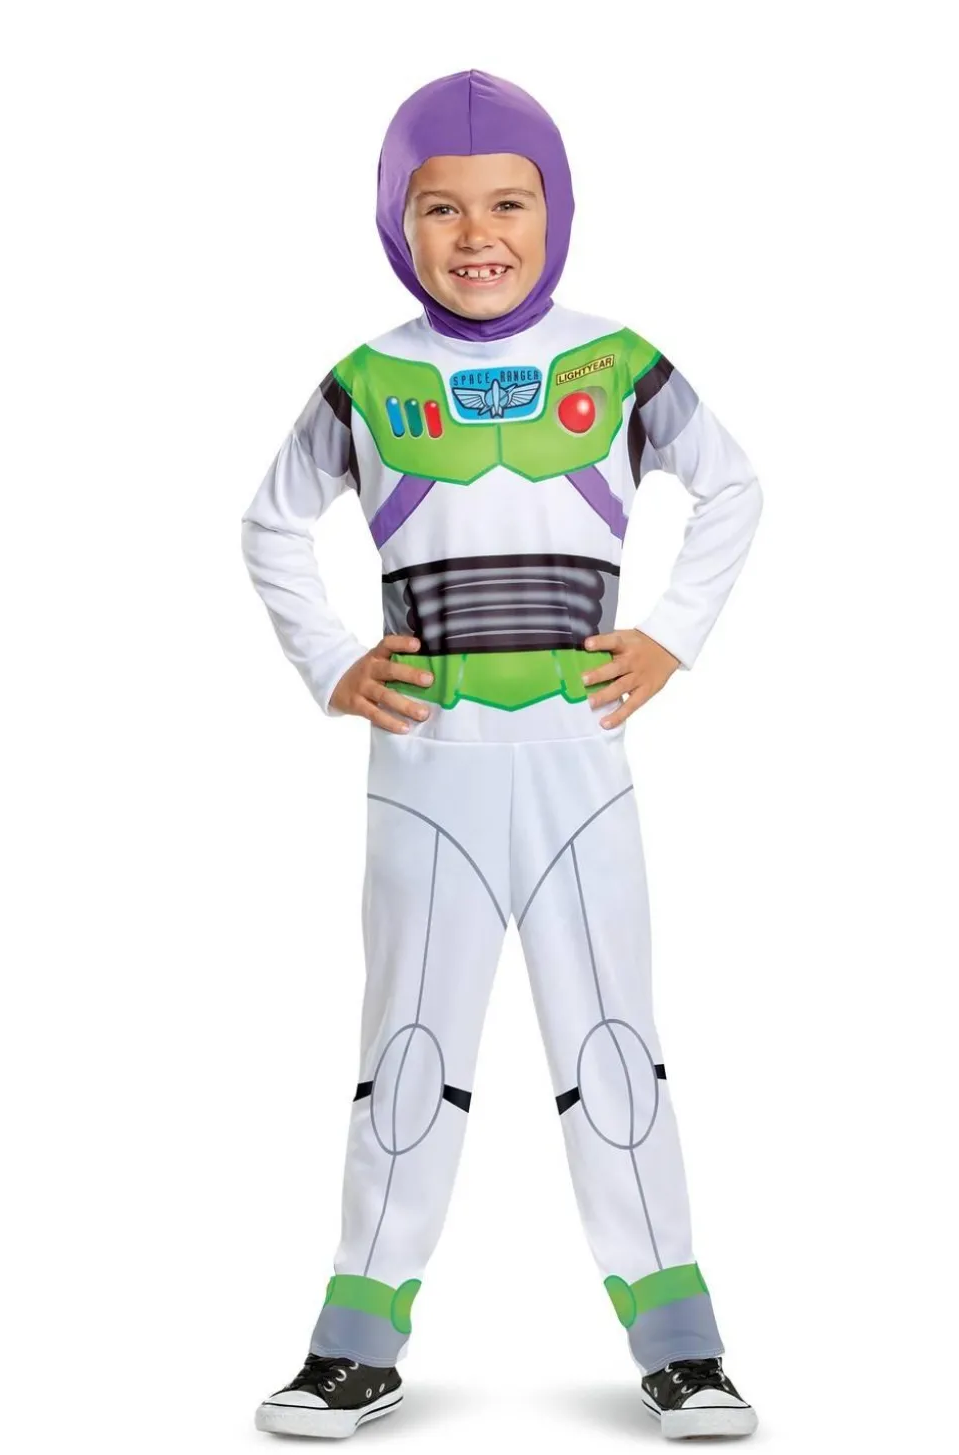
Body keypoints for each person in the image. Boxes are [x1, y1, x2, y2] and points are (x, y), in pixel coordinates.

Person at [241, 68, 763, 1442]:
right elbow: (269, 523)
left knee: (613, 1043)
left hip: (580, 764)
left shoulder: (617, 363)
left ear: (557, 209)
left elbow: (733, 485)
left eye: (509, 203)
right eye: (441, 208)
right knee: (408, 1048)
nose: (478, 234)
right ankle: (355, 1343)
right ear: (394, 220)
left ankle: (683, 1347)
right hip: (429, 770)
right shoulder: (368, 380)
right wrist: (331, 662)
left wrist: (671, 638)